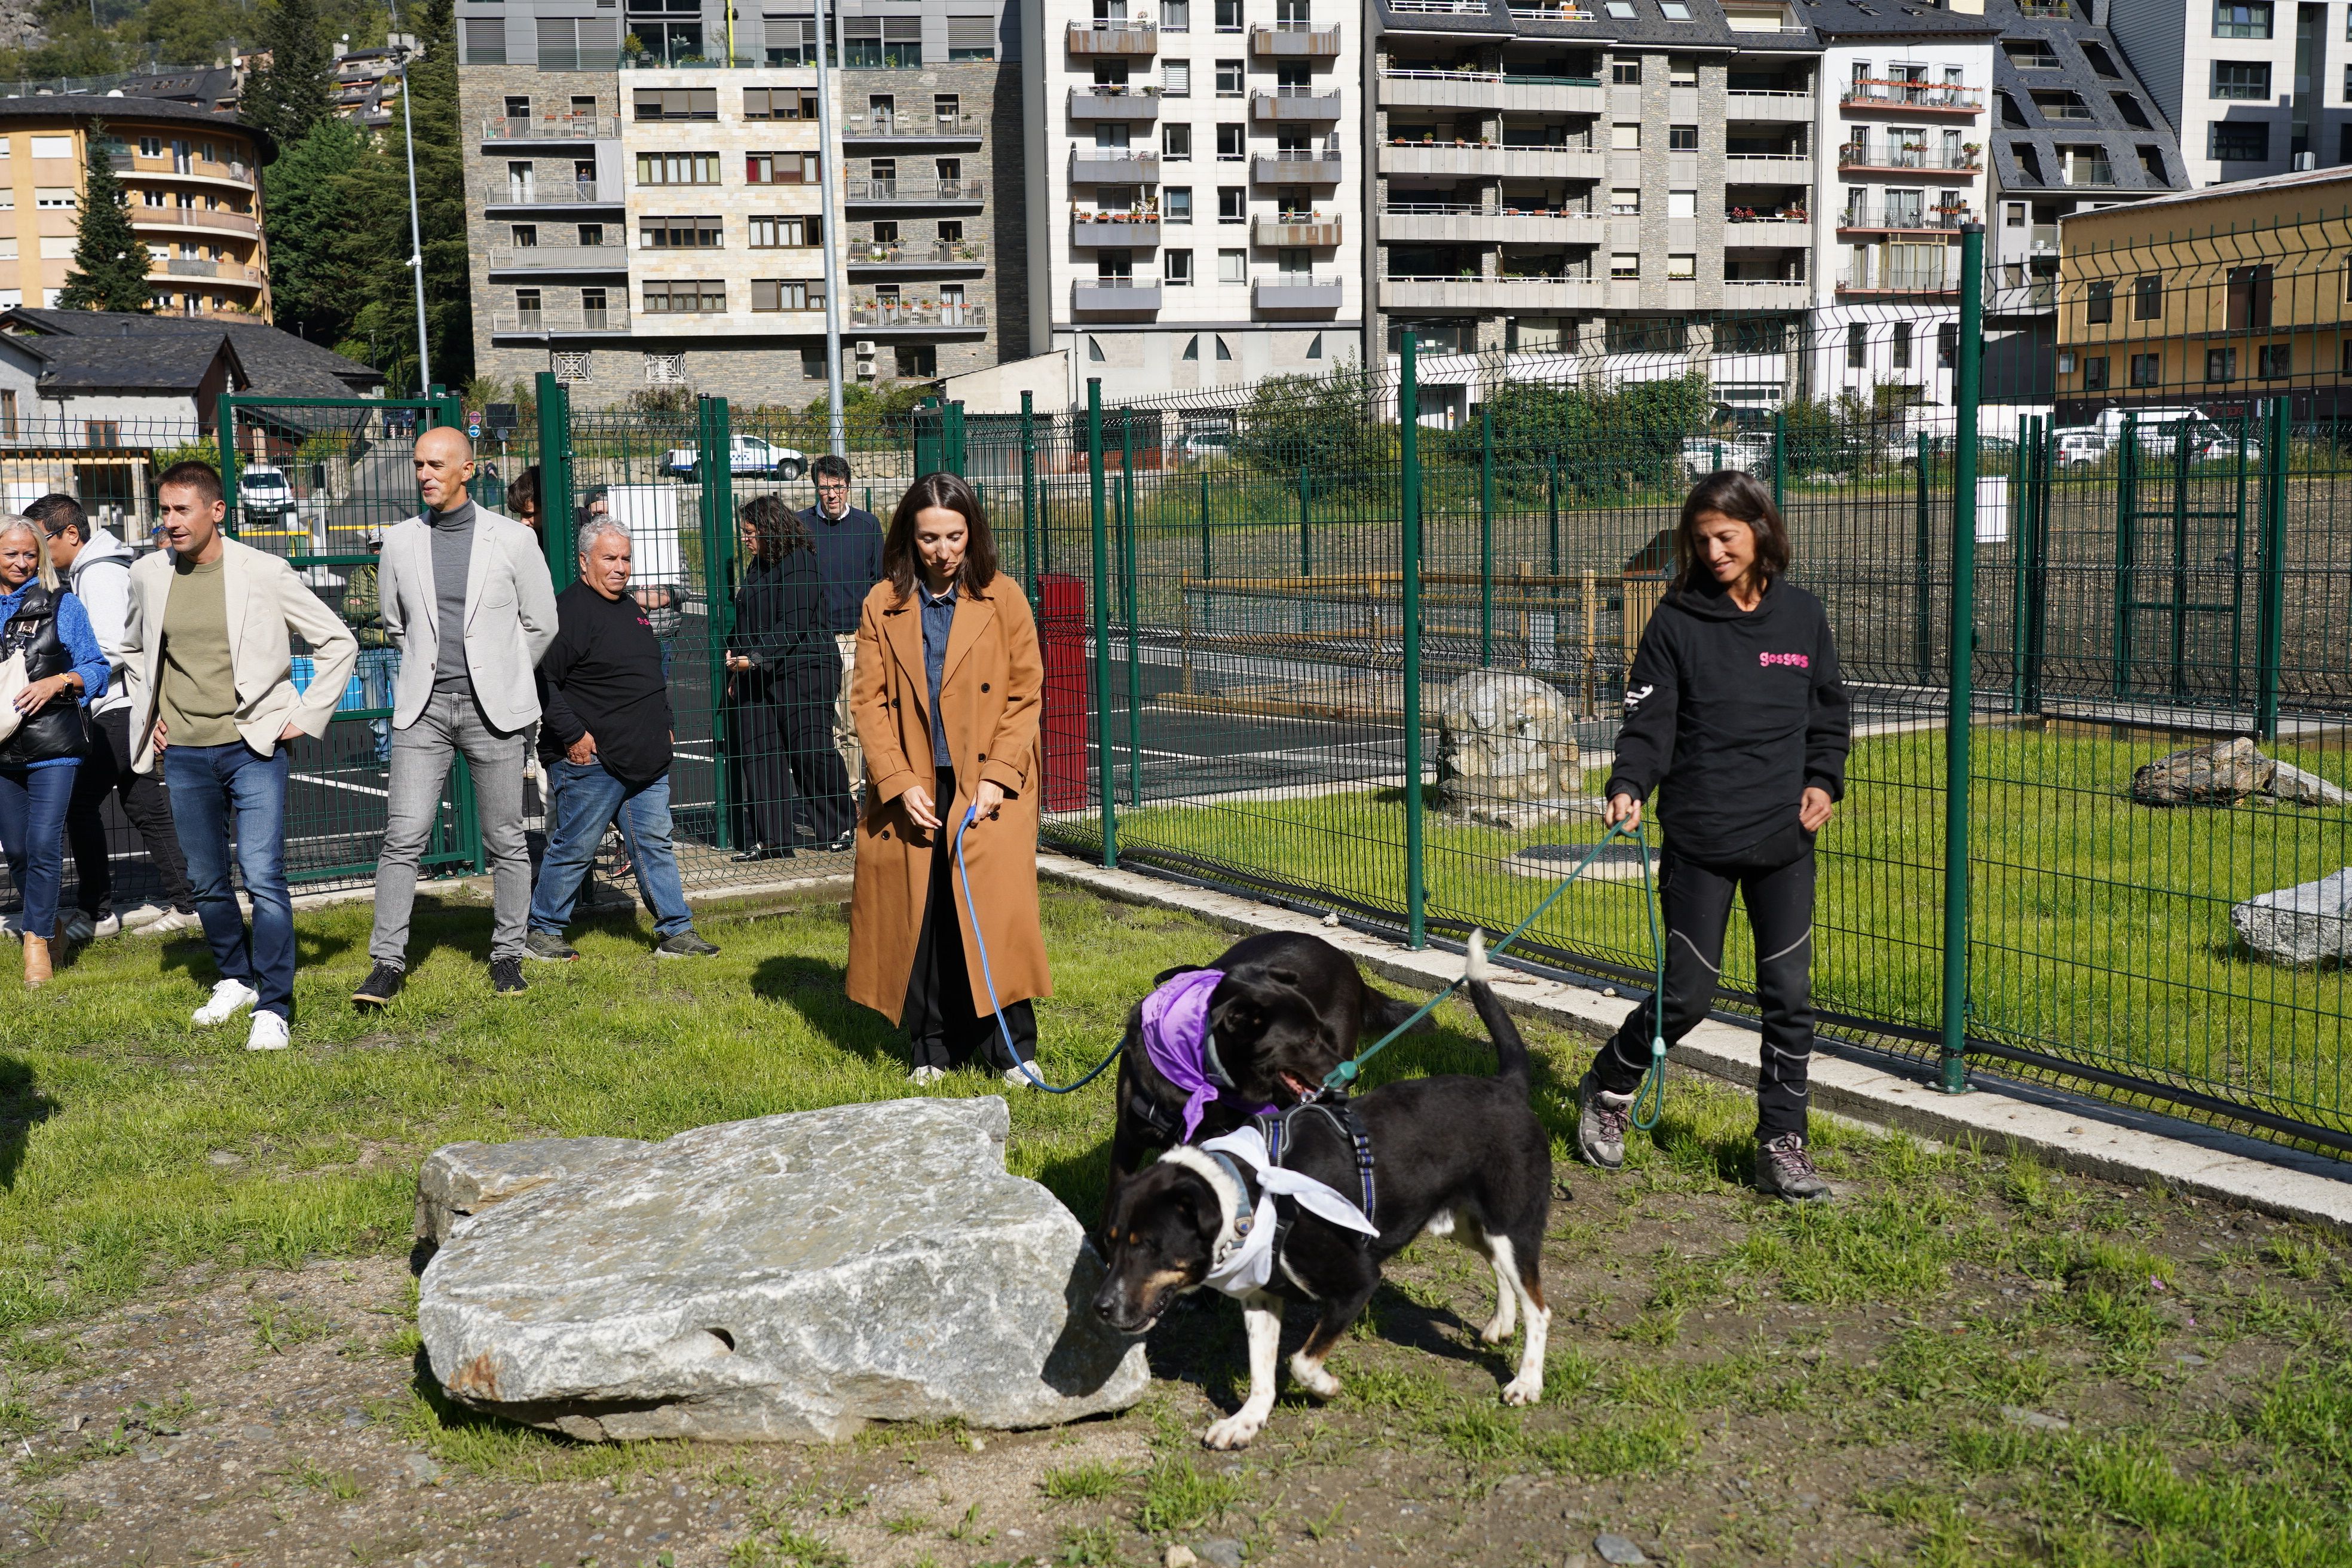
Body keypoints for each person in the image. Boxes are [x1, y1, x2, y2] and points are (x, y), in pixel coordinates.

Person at [1575, 469, 1851, 1203]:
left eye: (1726, 536)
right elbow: (1648, 721)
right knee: (1689, 995)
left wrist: (1824, 780)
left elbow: (1828, 713)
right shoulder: (1676, 620)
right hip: (1700, 836)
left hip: (1783, 840)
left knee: (1788, 994)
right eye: (1701, 541)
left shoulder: (1803, 616)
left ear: (1760, 530)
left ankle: (1782, 1143)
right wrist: (1629, 784)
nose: (1715, 551)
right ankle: (1611, 1081)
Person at [121, 461, 357, 1046]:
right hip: (185, 753)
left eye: (182, 509)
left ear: (217, 510)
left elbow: (337, 641)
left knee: (263, 875)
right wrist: (151, 713)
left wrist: (304, 716)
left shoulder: (264, 571)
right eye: (165, 509)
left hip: (254, 748)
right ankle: (235, 978)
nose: (171, 521)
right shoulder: (148, 574)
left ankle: (274, 1004)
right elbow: (133, 650)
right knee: (205, 879)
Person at [846, 472, 1048, 1086]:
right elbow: (868, 702)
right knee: (923, 916)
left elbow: (1026, 693)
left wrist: (998, 776)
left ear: (973, 533)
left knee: (993, 912)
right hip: (914, 784)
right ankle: (930, 1047)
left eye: (955, 536)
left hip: (988, 783)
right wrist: (898, 779)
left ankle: (1012, 1049)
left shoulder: (1004, 597)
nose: (943, 551)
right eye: (930, 537)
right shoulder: (882, 603)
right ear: (910, 537)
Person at [353, 427, 558, 1010]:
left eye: (437, 464)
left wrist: (502, 673)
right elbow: (396, 623)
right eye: (419, 464)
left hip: (494, 712)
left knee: (506, 839)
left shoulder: (514, 539)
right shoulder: (399, 542)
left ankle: (507, 955)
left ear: (468, 469)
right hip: (424, 711)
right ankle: (386, 964)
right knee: (403, 837)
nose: (425, 474)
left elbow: (542, 623)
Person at [525, 518, 720, 961]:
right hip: (592, 759)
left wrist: (665, 721)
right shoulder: (567, 612)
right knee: (576, 847)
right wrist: (574, 735)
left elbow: (648, 671)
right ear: (584, 561)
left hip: (644, 756)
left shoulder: (631, 607)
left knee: (654, 844)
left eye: (626, 559)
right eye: (609, 558)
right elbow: (541, 680)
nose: (620, 567)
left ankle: (677, 931)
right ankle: (542, 931)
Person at [38, 496, 200, 937]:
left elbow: (112, 648)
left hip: (118, 707)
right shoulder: (94, 569)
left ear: (71, 534)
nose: (36, 553)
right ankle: (188, 904)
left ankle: (97, 913)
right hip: (121, 706)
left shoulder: (100, 574)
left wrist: (62, 678)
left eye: (41, 541)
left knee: (79, 804)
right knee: (145, 805)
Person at [0, 515, 106, 986]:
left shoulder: (63, 604)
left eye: (31, 554)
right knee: (18, 849)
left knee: (44, 843)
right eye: (11, 554)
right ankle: (52, 926)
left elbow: (96, 667)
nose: (22, 563)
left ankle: (36, 941)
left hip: (54, 743)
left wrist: (58, 681)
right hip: (2, 745)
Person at [725, 496, 855, 860]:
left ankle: (839, 825)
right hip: (758, 670)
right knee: (761, 752)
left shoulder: (799, 560)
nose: (746, 540)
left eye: (751, 533)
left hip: (804, 667)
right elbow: (748, 618)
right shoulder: (758, 565)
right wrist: (737, 657)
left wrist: (756, 658)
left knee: (809, 748)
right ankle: (773, 840)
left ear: (770, 530)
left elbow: (794, 621)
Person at [800, 454, 885, 813]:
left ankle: (848, 801)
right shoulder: (801, 526)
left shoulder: (868, 526)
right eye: (824, 488)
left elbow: (880, 583)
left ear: (848, 487)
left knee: (850, 724)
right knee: (819, 725)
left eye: (837, 487)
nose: (832, 494)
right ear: (816, 488)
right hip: (814, 639)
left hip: (854, 637)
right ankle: (826, 800)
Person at [341, 530, 400, 764]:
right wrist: (383, 606)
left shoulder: (401, 568)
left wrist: (366, 606)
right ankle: (385, 756)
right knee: (374, 710)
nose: (379, 550)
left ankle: (406, 755)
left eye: (383, 545)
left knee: (406, 706)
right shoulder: (360, 573)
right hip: (368, 648)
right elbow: (349, 610)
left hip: (397, 646)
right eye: (375, 546)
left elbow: (406, 608)